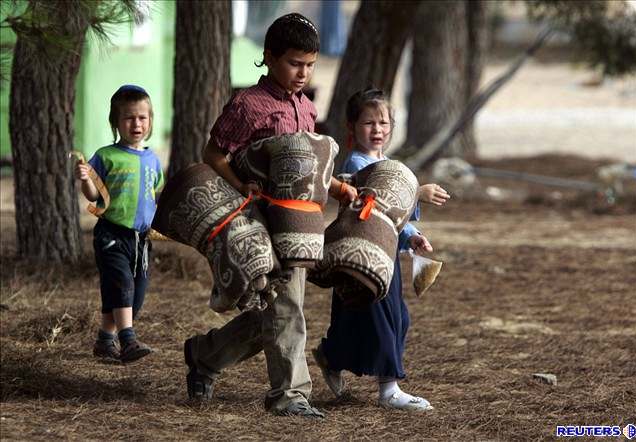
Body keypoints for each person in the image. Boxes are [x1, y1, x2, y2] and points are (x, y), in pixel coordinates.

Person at [184, 13, 357, 419]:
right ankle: (290, 395)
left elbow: (310, 169)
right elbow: (213, 154)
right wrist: (241, 185)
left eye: (310, 64)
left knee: (274, 308)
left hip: (300, 225)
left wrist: (338, 188)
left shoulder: (308, 108)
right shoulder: (248, 105)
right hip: (258, 221)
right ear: (269, 57)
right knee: (286, 307)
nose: (303, 72)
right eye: (295, 63)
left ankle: (204, 355)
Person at [312, 88, 450, 411]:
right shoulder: (357, 163)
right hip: (363, 256)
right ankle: (389, 389)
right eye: (368, 123)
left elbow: (392, 217)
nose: (377, 130)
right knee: (386, 318)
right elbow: (375, 203)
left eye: (384, 122)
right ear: (352, 127)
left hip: (383, 254)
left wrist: (412, 236)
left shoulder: (384, 161)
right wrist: (417, 191)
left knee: (374, 318)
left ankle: (332, 356)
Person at [74, 85, 164, 363]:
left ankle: (104, 340)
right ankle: (128, 340)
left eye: (142, 118)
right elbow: (92, 196)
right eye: (128, 118)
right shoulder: (106, 156)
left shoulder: (153, 159)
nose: (136, 124)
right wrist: (86, 178)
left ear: (150, 121)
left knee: (132, 295)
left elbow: (155, 196)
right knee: (121, 284)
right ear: (116, 122)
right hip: (111, 234)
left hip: (141, 239)